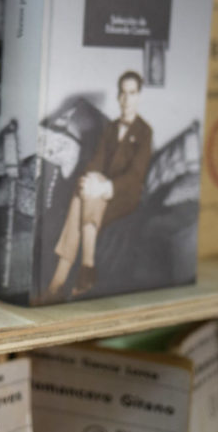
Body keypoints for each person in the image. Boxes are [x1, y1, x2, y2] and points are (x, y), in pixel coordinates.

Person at [45, 70, 152, 300]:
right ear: (118, 96)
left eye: (132, 93)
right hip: (101, 188)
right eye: (122, 93)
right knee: (81, 192)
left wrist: (103, 187)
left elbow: (135, 176)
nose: (126, 99)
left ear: (139, 96)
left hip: (125, 194)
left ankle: (76, 274)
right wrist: (86, 179)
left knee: (88, 196)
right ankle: (60, 284)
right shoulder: (111, 128)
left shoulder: (145, 131)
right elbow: (96, 162)